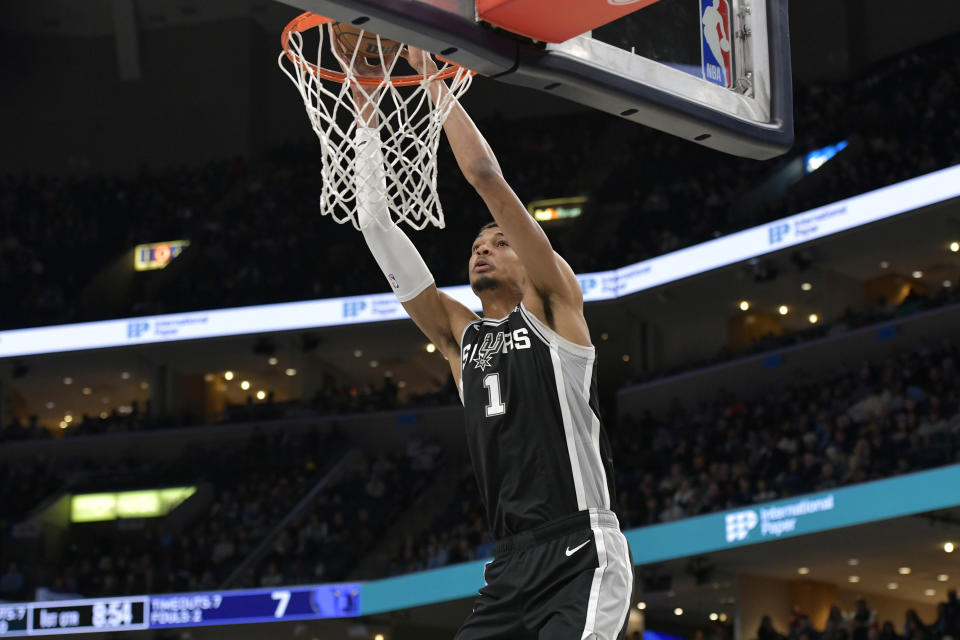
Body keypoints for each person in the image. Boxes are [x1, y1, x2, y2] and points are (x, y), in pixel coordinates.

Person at [335, 40, 633, 639]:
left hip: (578, 547)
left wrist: (431, 82)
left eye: (498, 242)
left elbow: (483, 176)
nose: (481, 248)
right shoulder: (459, 336)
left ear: (528, 261)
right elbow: (375, 224)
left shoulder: (554, 308)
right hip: (509, 566)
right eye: (476, 244)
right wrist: (367, 118)